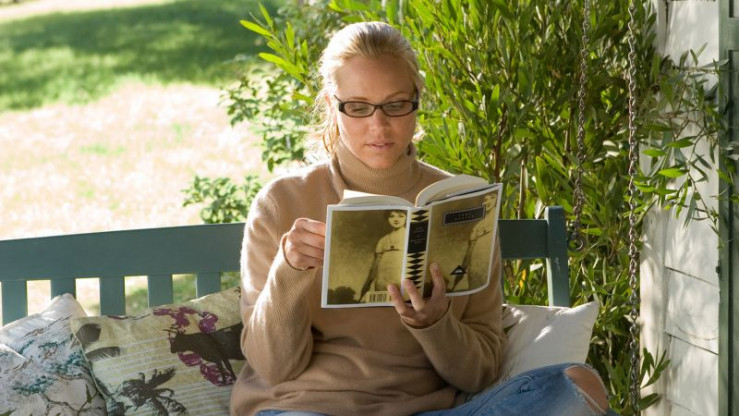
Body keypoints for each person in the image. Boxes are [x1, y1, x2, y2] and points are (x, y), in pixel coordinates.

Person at [231, 21, 619, 416]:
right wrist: (290, 270)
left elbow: (480, 374)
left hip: (425, 412)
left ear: (417, 99)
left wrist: (435, 323)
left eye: (396, 105)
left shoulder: (461, 204)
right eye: (359, 107)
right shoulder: (282, 203)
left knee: (577, 384)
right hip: (307, 408)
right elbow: (273, 368)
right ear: (333, 106)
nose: (379, 126)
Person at [359, 209, 407, 302]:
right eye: (392, 216)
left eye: (401, 216)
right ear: (387, 218)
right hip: (383, 276)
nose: (396, 219)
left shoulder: (409, 236)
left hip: (401, 274)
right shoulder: (383, 240)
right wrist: (368, 283)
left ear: (406, 218)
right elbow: (375, 265)